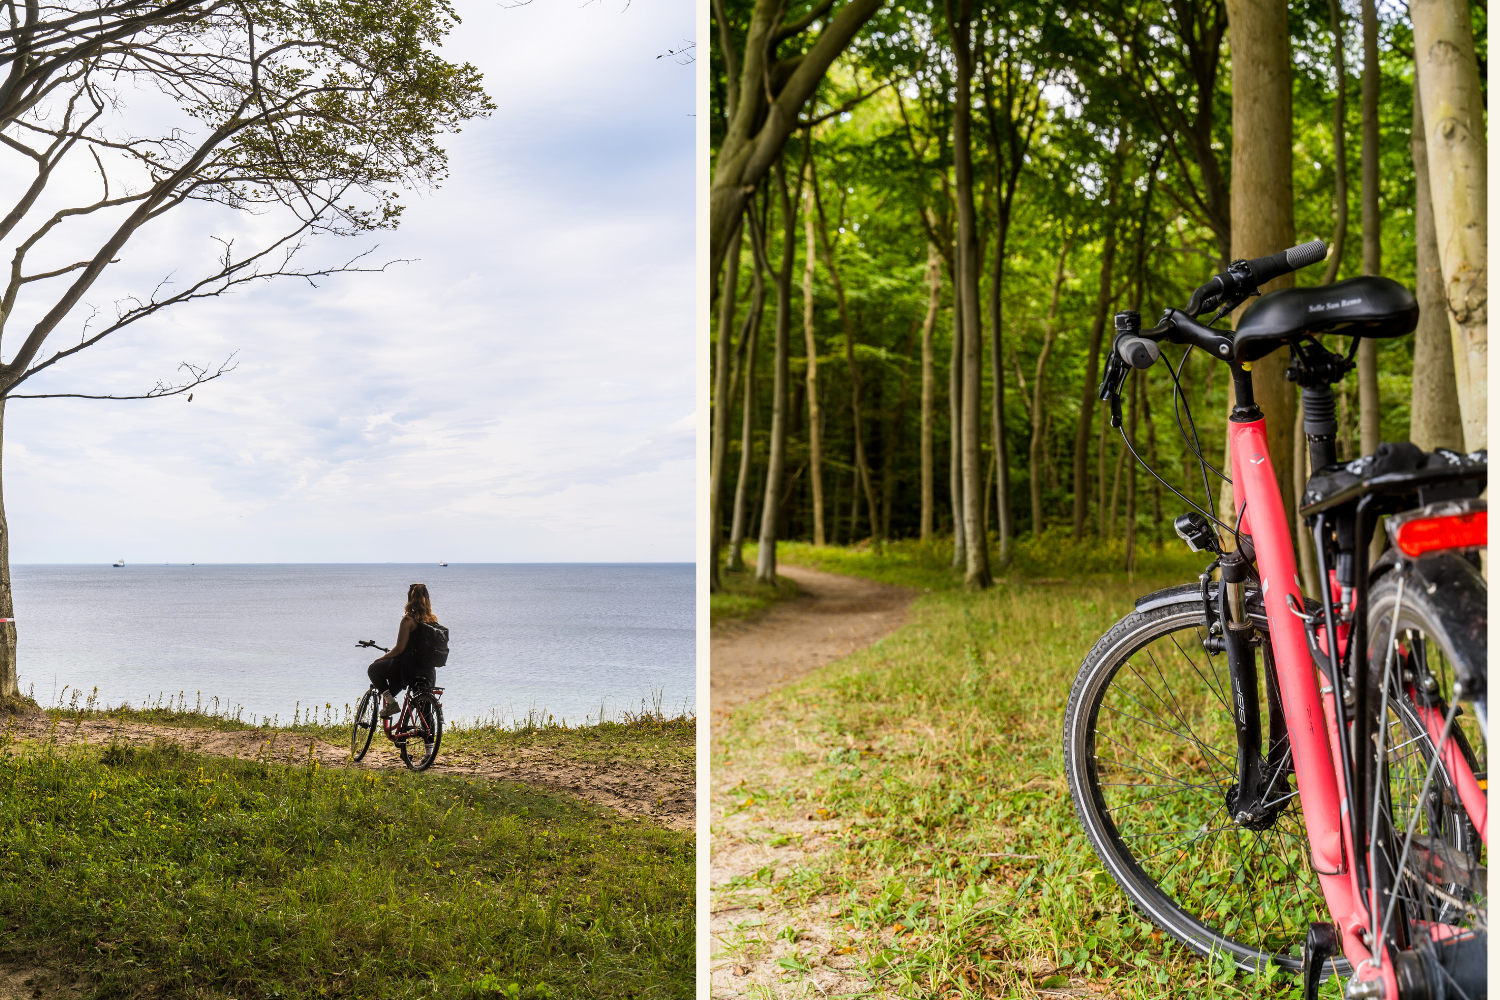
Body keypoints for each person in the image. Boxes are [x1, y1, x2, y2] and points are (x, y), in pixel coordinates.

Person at [367, 583, 441, 718]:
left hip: (408, 669)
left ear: (410, 598)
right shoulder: (433, 620)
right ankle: (429, 731)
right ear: (427, 598)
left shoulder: (408, 620)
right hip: (428, 669)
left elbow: (399, 648)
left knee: (373, 669)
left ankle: (391, 703)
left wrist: (383, 658)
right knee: (425, 709)